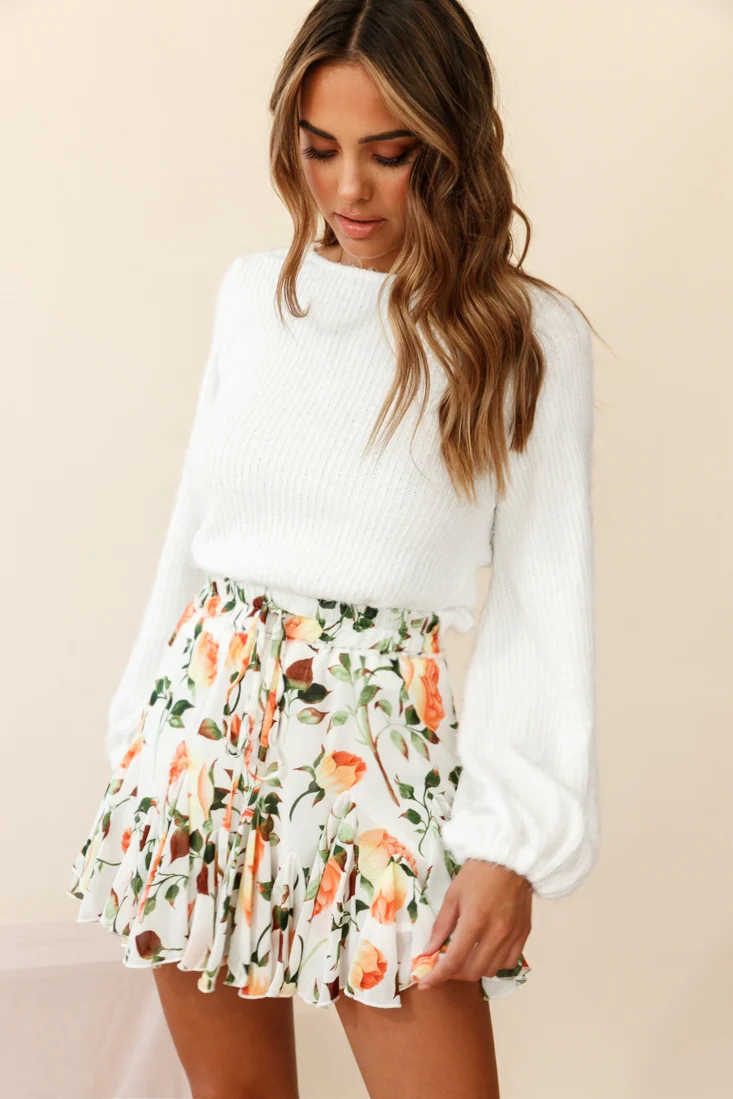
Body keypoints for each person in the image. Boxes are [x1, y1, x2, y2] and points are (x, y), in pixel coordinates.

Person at [66, 1, 600, 1096]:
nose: (348, 189)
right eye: (320, 149)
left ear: (450, 146)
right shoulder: (253, 298)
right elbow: (191, 540)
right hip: (202, 741)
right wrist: (136, 742)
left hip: (380, 766)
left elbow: (543, 603)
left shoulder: (521, 338)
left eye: (388, 153)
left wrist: (510, 842)